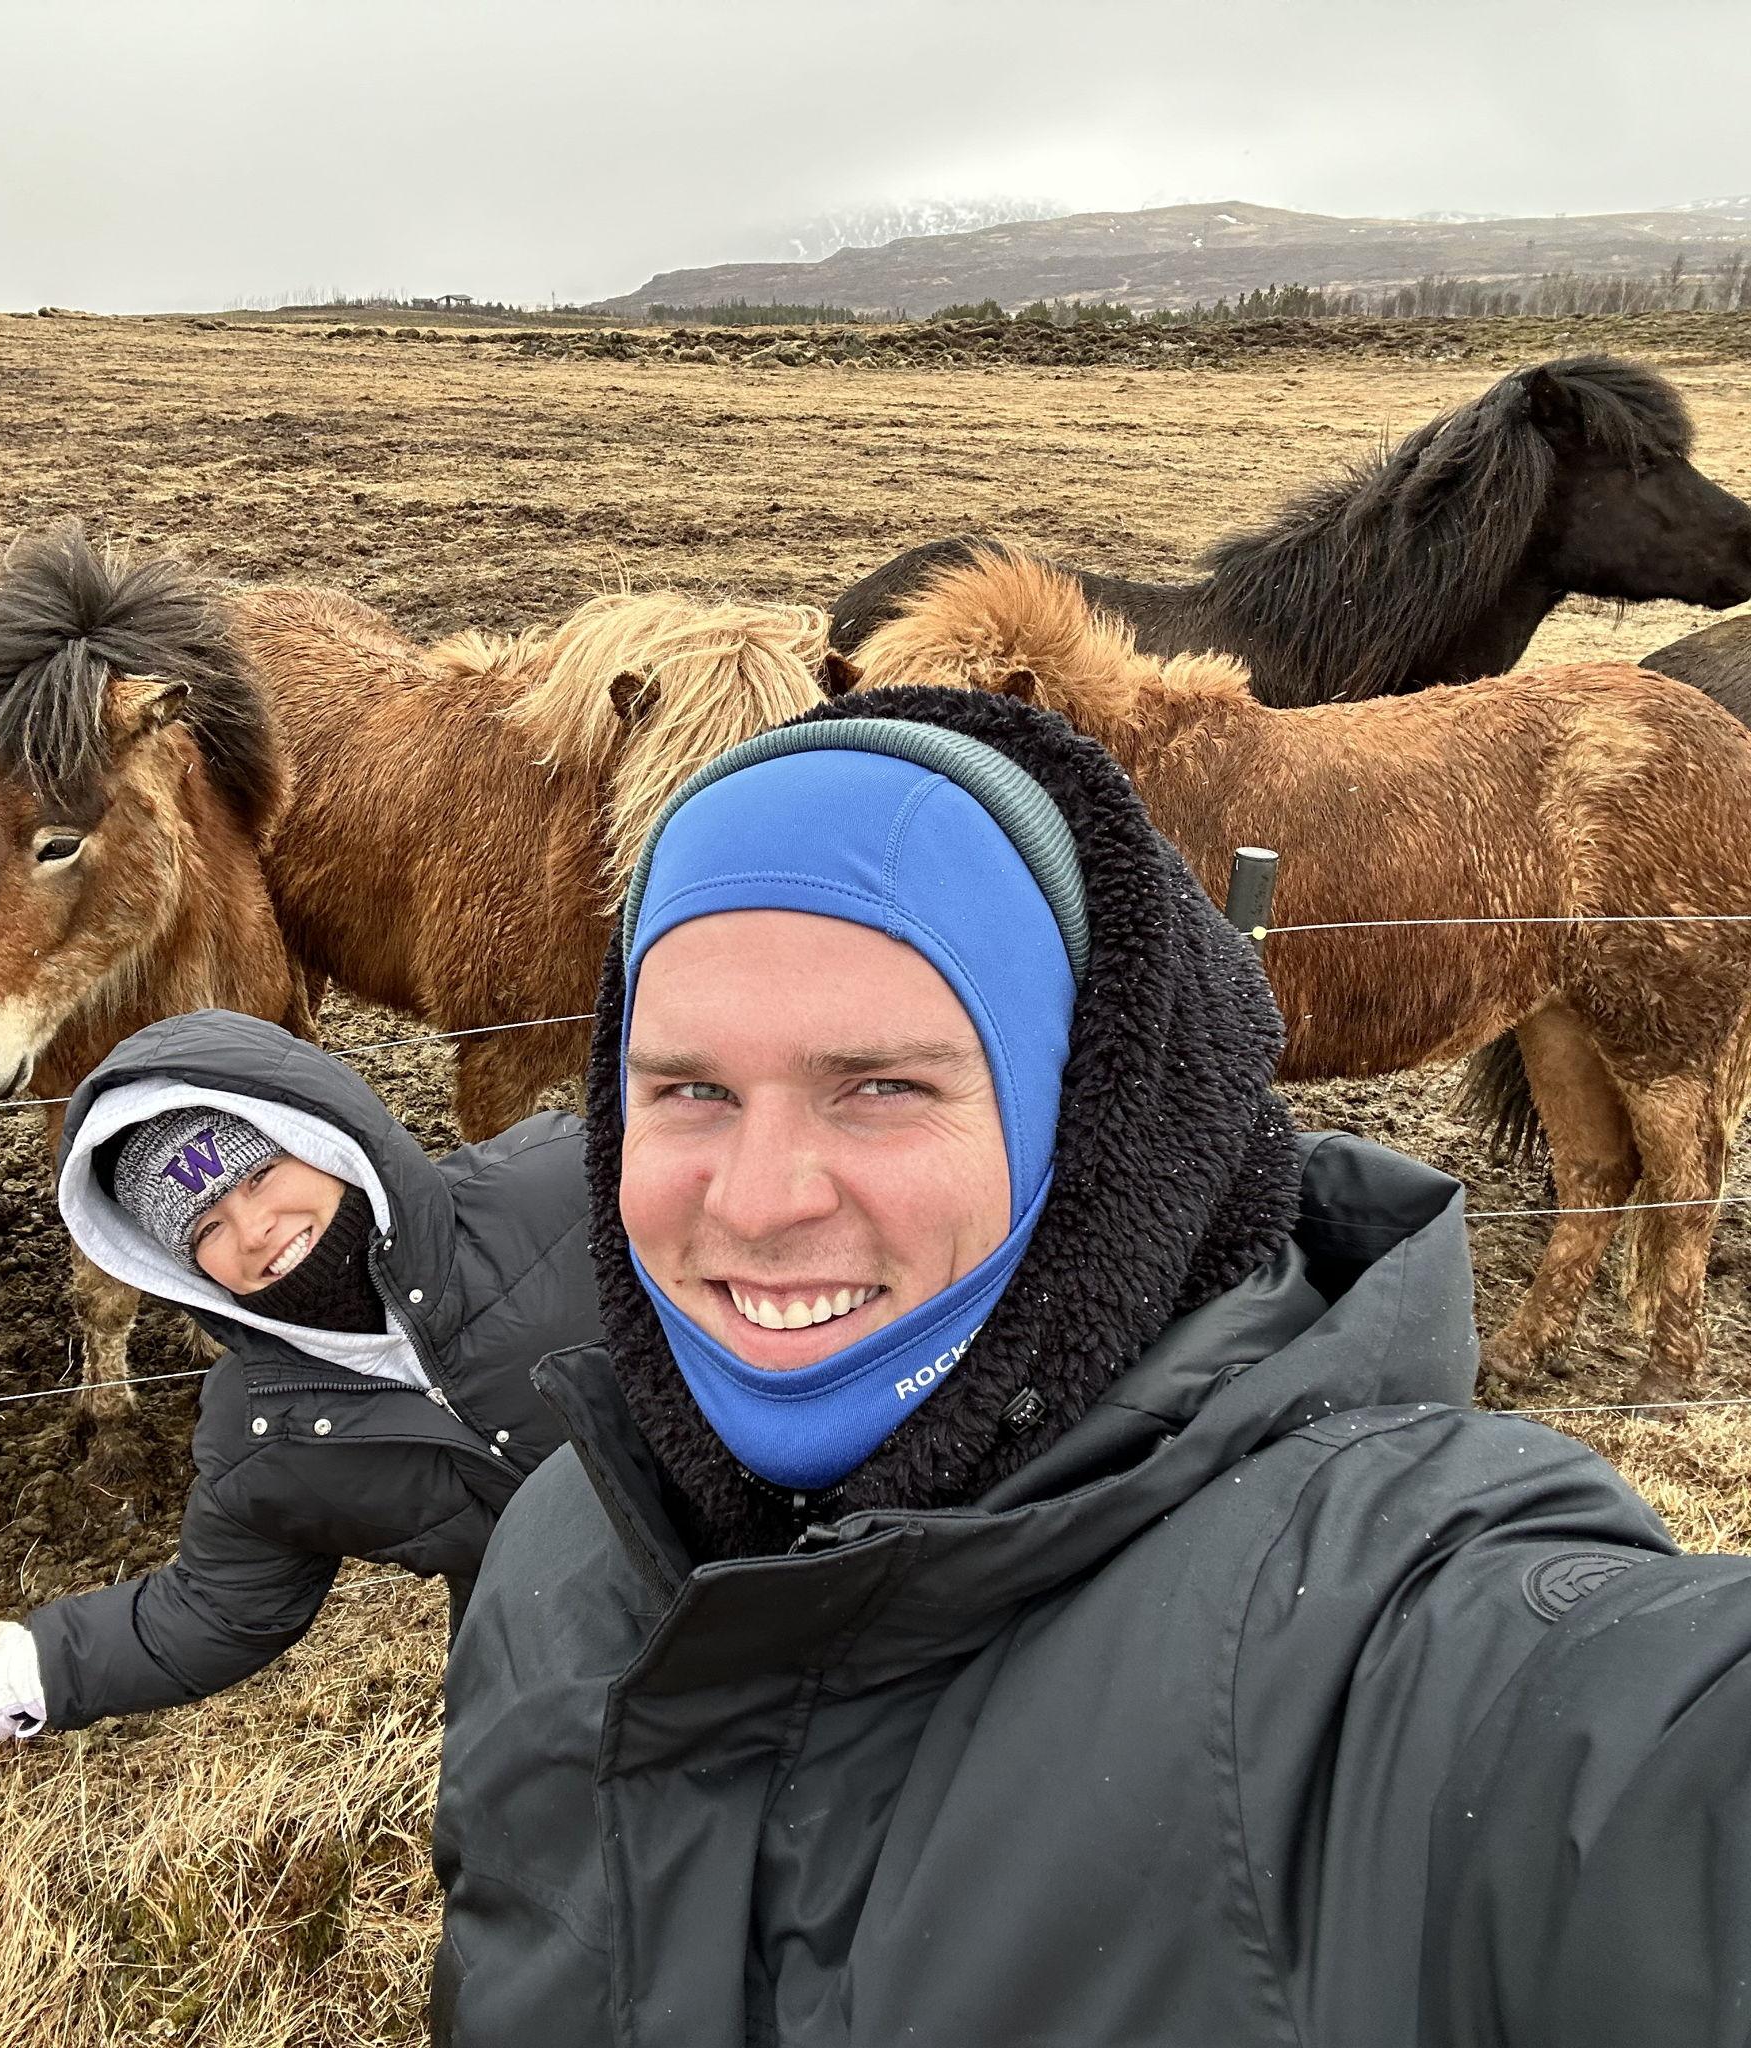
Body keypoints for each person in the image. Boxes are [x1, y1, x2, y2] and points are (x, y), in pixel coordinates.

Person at [429, 688, 1751, 2048]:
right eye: (689, 1088)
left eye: (885, 1085)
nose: (759, 1204)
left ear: (1094, 1109)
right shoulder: (563, 1554)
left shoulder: (1393, 1640)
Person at [0, 1008, 598, 1765]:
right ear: (177, 1269)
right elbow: (219, 1608)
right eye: (204, 1229)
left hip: (740, 1572)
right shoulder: (259, 1431)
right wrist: (39, 1669)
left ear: (321, 1138)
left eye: (261, 1174)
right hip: (559, 1676)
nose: (256, 1228)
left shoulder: (564, 1190)